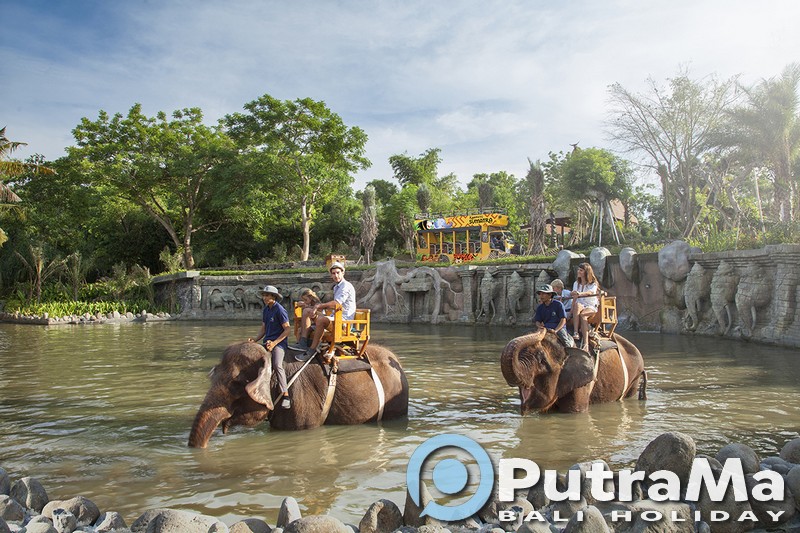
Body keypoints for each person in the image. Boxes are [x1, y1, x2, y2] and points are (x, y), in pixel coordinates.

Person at [299, 262, 356, 361]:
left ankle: (311, 350)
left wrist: (318, 306)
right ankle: (303, 343)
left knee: (321, 320)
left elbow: (336, 304)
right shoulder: (336, 287)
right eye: (333, 273)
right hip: (335, 317)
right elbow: (331, 306)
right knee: (307, 311)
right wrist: (310, 306)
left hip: (344, 322)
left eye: (338, 272)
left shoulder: (346, 286)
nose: (336, 275)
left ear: (343, 272)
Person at [248, 285, 291, 409]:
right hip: (267, 341)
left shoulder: (280, 310)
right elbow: (264, 328)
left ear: (274, 297)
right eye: (264, 295)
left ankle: (286, 395)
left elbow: (287, 329)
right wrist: (255, 340)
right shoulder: (266, 310)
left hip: (279, 343)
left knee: (277, 365)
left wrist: (274, 343)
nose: (264, 298)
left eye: (267, 295)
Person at [533, 284, 575, 348]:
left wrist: (556, 330)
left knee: (566, 343)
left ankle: (570, 351)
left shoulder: (558, 305)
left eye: (544, 294)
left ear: (550, 295)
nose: (541, 296)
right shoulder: (540, 308)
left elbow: (563, 320)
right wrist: (540, 327)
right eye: (540, 294)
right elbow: (537, 321)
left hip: (559, 328)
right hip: (546, 328)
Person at [571, 263, 600, 351]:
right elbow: (574, 298)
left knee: (583, 315)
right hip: (580, 306)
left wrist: (580, 294)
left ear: (586, 272)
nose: (578, 272)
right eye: (578, 270)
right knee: (577, 305)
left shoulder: (593, 284)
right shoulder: (576, 283)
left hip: (590, 306)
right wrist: (570, 311)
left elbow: (590, 293)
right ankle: (575, 332)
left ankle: (586, 344)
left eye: (581, 270)